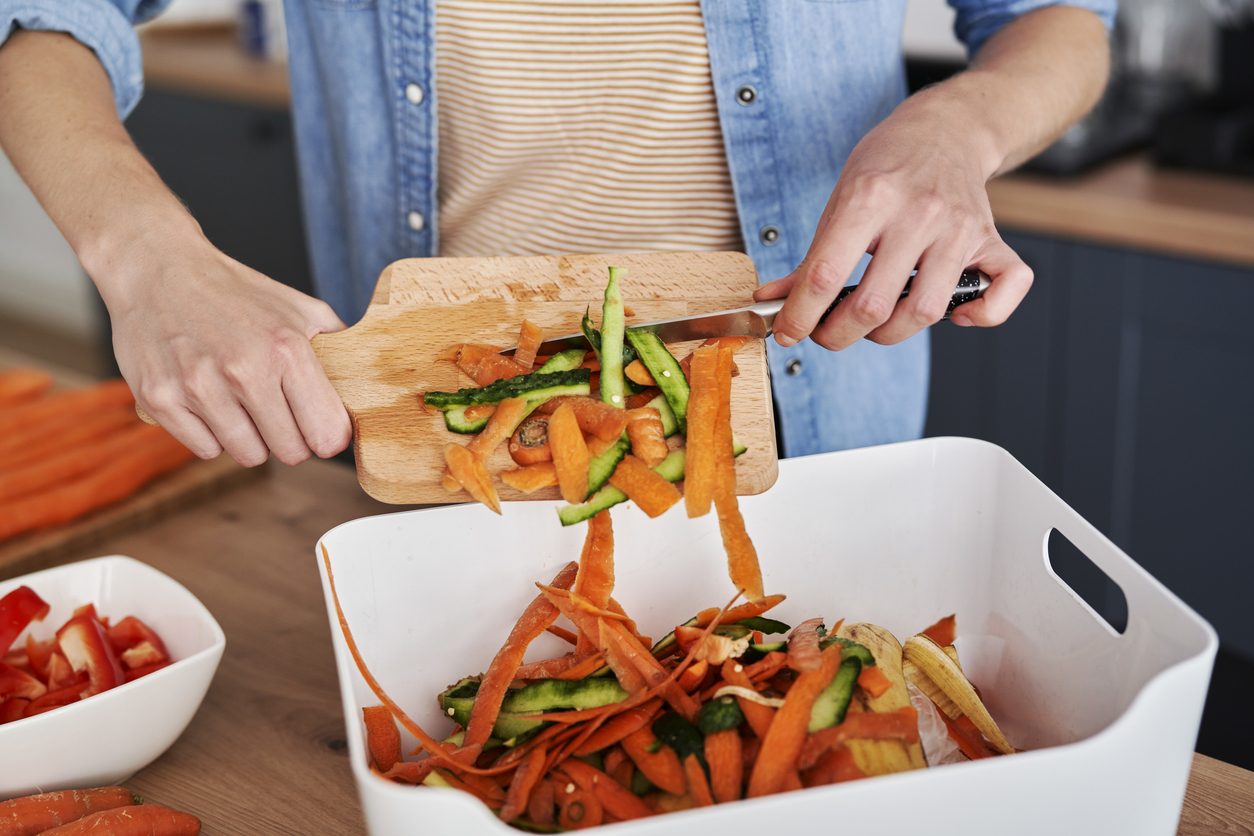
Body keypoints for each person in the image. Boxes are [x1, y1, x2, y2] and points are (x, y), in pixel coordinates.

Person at [0, 0, 1113, 467]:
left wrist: (961, 126)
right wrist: (147, 260)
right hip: (440, 431)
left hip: (809, 418)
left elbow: (1059, 18)